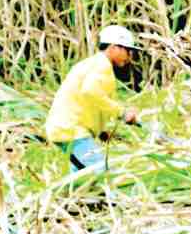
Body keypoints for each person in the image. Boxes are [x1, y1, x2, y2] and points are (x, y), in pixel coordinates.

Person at [45, 25, 141, 172]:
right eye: (128, 51)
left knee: (83, 180)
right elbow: (90, 92)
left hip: (65, 129)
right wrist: (122, 112)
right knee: (103, 174)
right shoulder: (102, 66)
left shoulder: (92, 63)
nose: (129, 56)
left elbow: (87, 101)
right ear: (114, 47)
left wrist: (101, 131)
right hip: (72, 132)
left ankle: (72, 194)